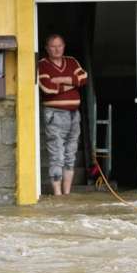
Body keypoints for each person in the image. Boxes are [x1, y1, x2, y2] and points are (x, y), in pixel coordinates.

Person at [38, 34, 88, 195]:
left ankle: (66, 194)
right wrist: (72, 84)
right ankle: (57, 194)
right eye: (53, 46)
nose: (57, 49)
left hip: (74, 114)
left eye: (60, 45)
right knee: (57, 155)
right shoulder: (42, 65)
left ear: (64, 46)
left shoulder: (72, 61)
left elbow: (83, 78)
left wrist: (61, 79)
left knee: (70, 154)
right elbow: (48, 88)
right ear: (47, 48)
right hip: (54, 114)